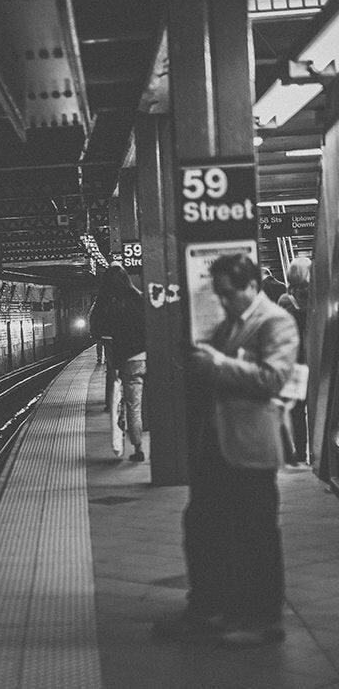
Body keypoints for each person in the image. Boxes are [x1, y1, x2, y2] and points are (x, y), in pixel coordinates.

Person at [155, 254, 298, 648]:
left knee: (258, 533)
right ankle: (211, 607)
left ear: (251, 285)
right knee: (204, 526)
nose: (223, 301)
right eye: (218, 294)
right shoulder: (231, 323)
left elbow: (273, 378)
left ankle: (265, 619)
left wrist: (215, 362)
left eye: (229, 293)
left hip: (251, 445)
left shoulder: (276, 322)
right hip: (218, 444)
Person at [92, 263, 147, 461]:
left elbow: (97, 330)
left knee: (131, 404)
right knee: (136, 403)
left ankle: (138, 448)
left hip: (125, 360)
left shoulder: (108, 305)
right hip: (146, 357)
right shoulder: (139, 297)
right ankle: (139, 441)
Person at [278, 257, 311, 465]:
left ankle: (299, 453)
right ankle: (321, 451)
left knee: (296, 410)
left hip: (294, 362)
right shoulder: (319, 298)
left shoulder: (285, 301)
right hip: (315, 361)